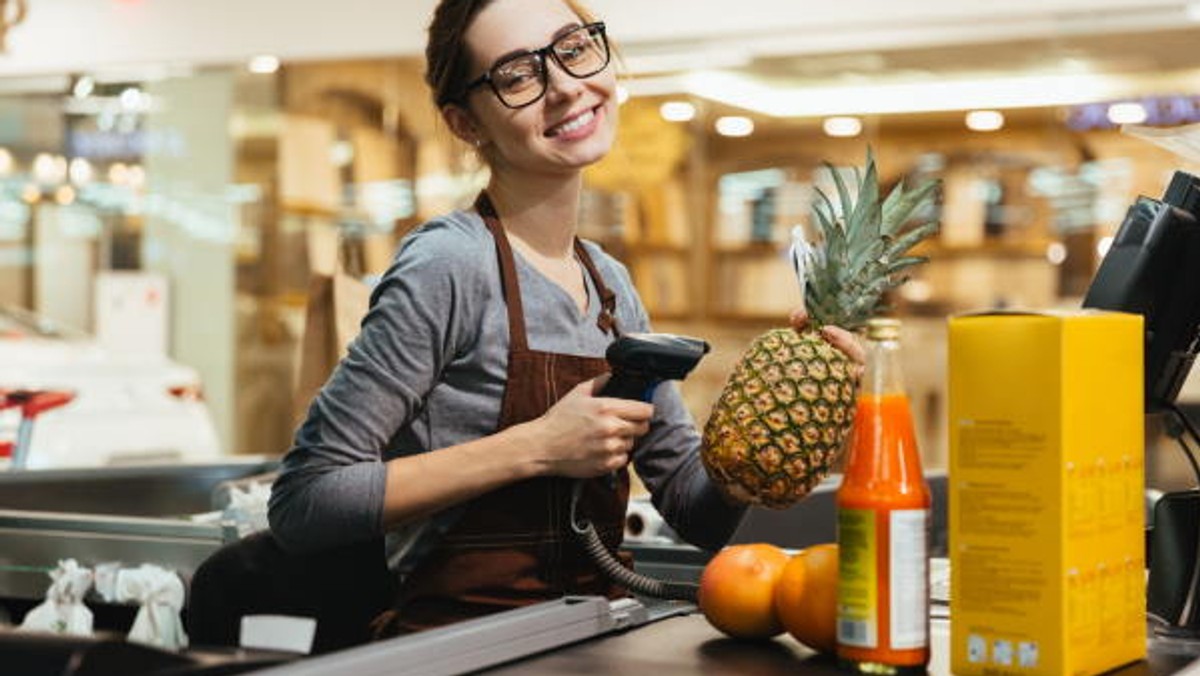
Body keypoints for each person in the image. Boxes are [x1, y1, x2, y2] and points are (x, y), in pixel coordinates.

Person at [188, 0, 863, 651]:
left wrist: (771, 435)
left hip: (590, 639)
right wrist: (535, 447)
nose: (566, 87)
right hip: (461, 650)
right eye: (517, 75)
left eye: (573, 50)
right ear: (465, 123)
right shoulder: (450, 263)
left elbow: (695, 511)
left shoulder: (609, 285)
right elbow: (308, 502)